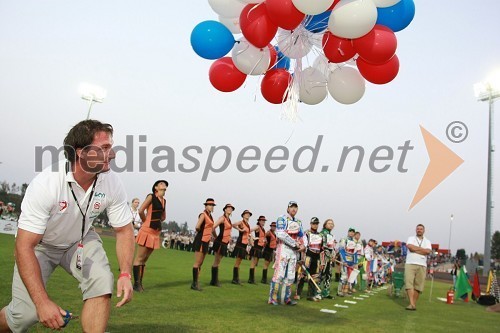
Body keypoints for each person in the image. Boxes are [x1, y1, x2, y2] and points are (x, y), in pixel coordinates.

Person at [0, 120, 134, 332]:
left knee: (101, 282)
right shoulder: (47, 183)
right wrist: (43, 303)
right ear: (81, 152)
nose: (114, 153)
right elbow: (24, 246)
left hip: (79, 240)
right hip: (40, 246)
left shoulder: (112, 182)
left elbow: (124, 230)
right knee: (24, 315)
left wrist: (126, 274)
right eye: (105, 148)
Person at [268, 201, 306, 306]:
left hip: (294, 251)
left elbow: (302, 236)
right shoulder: (282, 218)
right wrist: (295, 244)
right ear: (288, 209)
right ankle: (273, 298)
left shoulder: (299, 222)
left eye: (295, 207)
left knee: (290, 275)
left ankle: (286, 298)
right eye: (292, 207)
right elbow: (280, 233)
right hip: (283, 248)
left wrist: (303, 246)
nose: (294, 209)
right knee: (279, 273)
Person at [132, 180, 168, 292]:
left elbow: (163, 217)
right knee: (139, 258)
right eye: (161, 183)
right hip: (147, 230)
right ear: (156, 187)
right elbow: (141, 210)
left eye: (165, 184)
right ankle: (136, 284)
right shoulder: (151, 197)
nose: (164, 185)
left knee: (145, 259)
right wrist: (145, 221)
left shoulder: (164, 201)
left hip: (155, 232)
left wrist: (159, 219)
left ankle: (139, 283)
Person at [404, 224, 432, 311]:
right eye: (418, 229)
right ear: (415, 230)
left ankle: (413, 304)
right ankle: (412, 304)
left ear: (424, 230)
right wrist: (422, 250)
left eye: (421, 229)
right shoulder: (411, 238)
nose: (419, 230)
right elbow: (410, 248)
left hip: (422, 264)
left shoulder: (427, 241)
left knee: (418, 286)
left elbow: (428, 251)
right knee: (409, 283)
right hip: (410, 263)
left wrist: (416, 249)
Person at [191, 198, 216, 291]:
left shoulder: (211, 216)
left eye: (213, 205)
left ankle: (196, 281)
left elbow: (212, 229)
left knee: (201, 262)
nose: (211, 207)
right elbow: (197, 226)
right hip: (201, 240)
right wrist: (202, 232)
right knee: (197, 262)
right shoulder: (203, 214)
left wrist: (214, 237)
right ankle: (194, 283)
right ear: (206, 206)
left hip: (206, 241)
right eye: (210, 205)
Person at [296, 217, 323, 301]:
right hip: (308, 256)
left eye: (317, 224)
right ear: (311, 224)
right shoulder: (306, 233)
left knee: (314, 276)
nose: (315, 225)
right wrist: (302, 258)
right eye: (314, 223)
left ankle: (311, 295)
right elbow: (303, 246)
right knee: (303, 275)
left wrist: (322, 262)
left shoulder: (320, 235)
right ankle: (298, 293)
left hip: (317, 257)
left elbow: (322, 249)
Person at [210, 203, 235, 287]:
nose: (230, 209)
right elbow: (213, 227)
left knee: (218, 261)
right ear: (225, 209)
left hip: (225, 242)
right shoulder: (222, 218)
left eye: (231, 208)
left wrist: (229, 237)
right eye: (228, 208)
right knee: (216, 261)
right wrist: (215, 236)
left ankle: (214, 280)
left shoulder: (229, 220)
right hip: (220, 242)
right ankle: (214, 281)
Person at [232, 210, 252, 285]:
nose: (247, 215)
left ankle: (236, 278)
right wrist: (240, 229)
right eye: (246, 214)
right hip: (240, 243)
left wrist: (251, 240)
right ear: (243, 215)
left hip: (245, 244)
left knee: (239, 261)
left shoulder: (248, 225)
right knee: (238, 261)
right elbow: (233, 224)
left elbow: (248, 234)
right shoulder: (241, 222)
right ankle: (235, 279)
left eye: (249, 214)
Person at [319, 218, 336, 299]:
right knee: (321, 274)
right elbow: (323, 246)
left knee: (328, 275)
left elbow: (332, 247)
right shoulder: (322, 234)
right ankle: (318, 292)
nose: (331, 224)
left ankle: (326, 293)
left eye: (332, 223)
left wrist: (333, 255)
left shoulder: (331, 235)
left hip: (330, 258)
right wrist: (330, 256)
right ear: (325, 224)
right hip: (323, 257)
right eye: (329, 223)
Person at [338, 227, 357, 297]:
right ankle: (340, 291)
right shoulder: (344, 240)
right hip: (345, 261)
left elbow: (355, 253)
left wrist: (355, 263)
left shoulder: (354, 242)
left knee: (349, 277)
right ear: (348, 232)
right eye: (350, 231)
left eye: (353, 232)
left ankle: (345, 291)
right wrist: (344, 261)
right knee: (344, 276)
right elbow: (341, 251)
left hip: (351, 262)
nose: (351, 233)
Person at [248, 216, 267, 284]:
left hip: (260, 247)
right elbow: (249, 230)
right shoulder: (258, 227)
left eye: (264, 221)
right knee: (253, 263)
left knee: (255, 263)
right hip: (256, 246)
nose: (263, 222)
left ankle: (252, 278)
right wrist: (253, 237)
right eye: (262, 220)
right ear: (259, 221)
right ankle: (251, 279)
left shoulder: (263, 229)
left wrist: (264, 241)